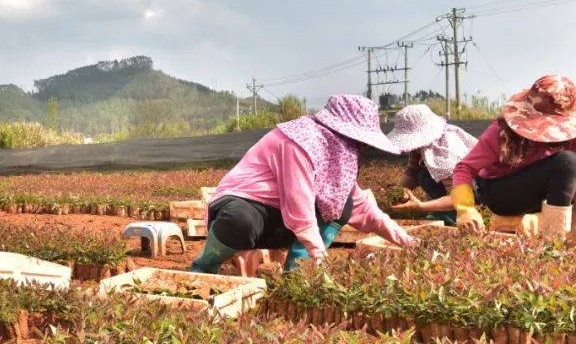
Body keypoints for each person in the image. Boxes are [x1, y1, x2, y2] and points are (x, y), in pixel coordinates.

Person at [190, 94, 417, 274]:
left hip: (280, 220)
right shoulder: (300, 142)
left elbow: (366, 210)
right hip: (246, 205)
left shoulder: (335, 157)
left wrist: (408, 242)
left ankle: (298, 272)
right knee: (241, 220)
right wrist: (320, 257)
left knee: (343, 203)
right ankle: (205, 265)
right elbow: (298, 202)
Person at [452, 74, 576, 240]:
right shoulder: (502, 132)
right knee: (566, 162)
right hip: (502, 192)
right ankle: (553, 241)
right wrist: (465, 209)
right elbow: (464, 168)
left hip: (544, 196)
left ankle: (557, 232)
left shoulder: (571, 137)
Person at [386, 104, 477, 225]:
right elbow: (412, 171)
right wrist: (400, 190)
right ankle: (441, 209)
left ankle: (452, 214)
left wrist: (420, 206)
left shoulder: (444, 152)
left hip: (477, 190)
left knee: (425, 176)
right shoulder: (422, 147)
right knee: (422, 173)